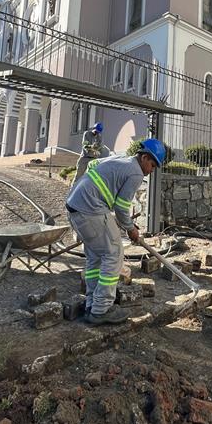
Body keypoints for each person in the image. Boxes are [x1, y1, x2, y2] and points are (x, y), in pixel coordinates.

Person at [65, 138, 166, 325]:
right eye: (152, 165)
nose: (151, 170)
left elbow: (93, 163)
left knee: (96, 257)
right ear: (144, 157)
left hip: (75, 209)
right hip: (90, 210)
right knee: (114, 253)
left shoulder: (121, 160)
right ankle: (101, 310)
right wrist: (130, 229)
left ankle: (91, 304)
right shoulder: (135, 172)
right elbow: (121, 208)